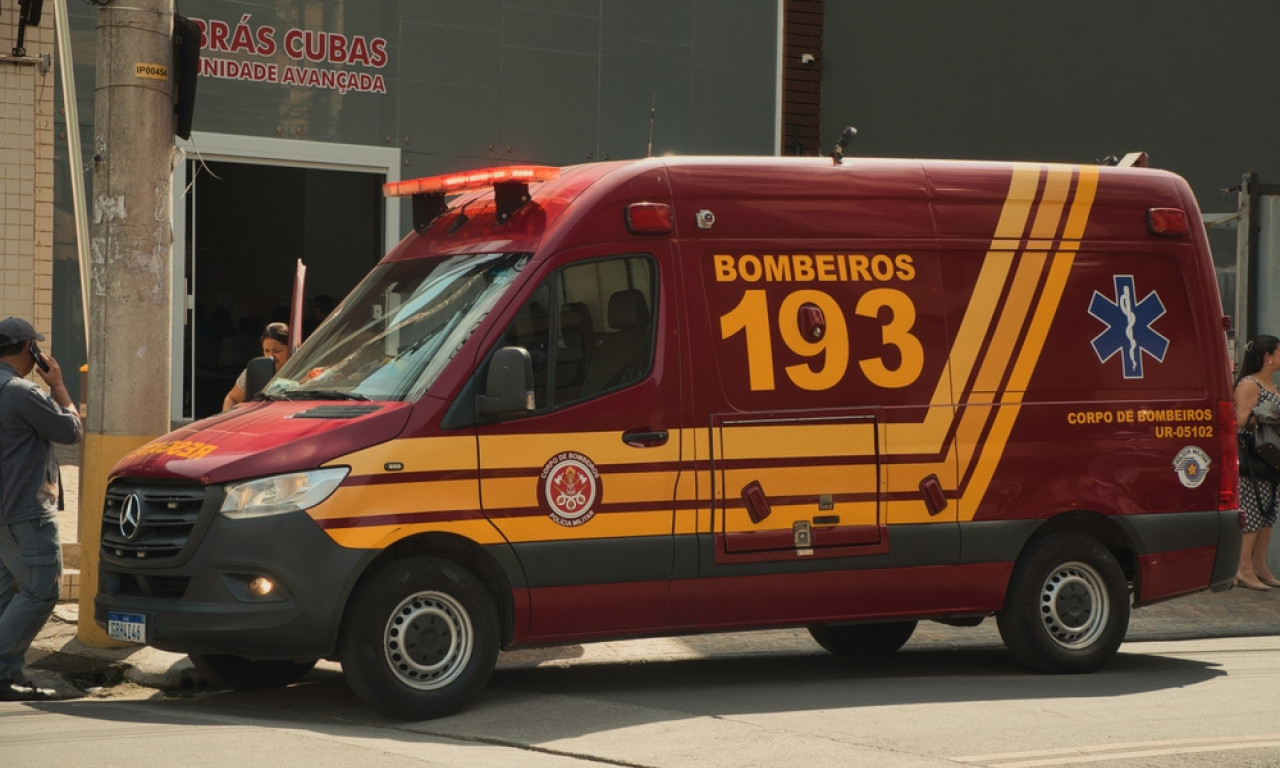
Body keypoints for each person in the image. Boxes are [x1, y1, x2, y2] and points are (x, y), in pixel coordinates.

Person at [0, 317, 83, 701]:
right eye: (35, 347)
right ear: (28, 350)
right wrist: (60, 386)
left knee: (6, 593)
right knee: (40, 591)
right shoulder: (20, 393)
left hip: (4, 516)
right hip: (25, 512)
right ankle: (2, 671)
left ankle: (8, 671)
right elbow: (71, 431)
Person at [1234, 334, 1280, 591]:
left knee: (1268, 513)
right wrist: (1270, 417)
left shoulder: (1271, 385)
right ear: (1268, 356)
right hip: (1252, 457)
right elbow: (1241, 420)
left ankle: (1260, 566)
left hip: (1271, 457)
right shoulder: (1250, 384)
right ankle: (1243, 568)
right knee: (1252, 511)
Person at [222, 322, 290, 411]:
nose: (271, 356)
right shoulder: (256, 371)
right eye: (267, 351)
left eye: (277, 351)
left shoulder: (305, 372)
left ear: (291, 348)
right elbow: (232, 398)